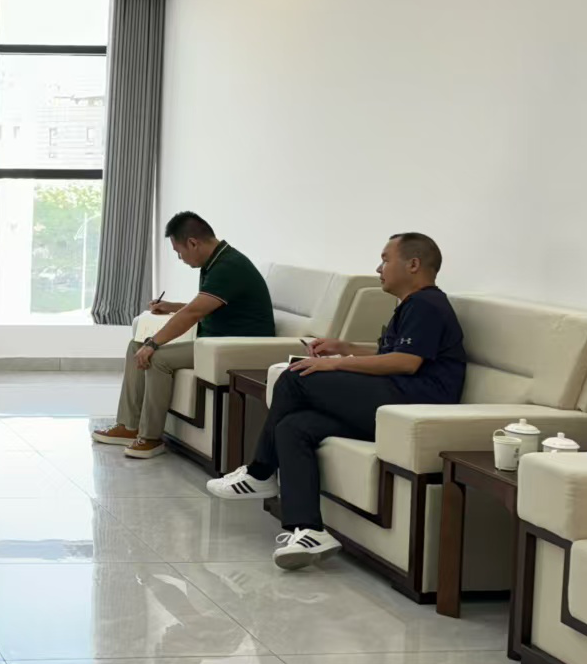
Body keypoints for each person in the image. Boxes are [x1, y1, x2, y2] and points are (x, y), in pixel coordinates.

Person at [207, 232, 466, 569]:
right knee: (294, 426)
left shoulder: (426, 304)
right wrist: (344, 348)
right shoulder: (411, 305)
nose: (379, 268)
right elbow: (390, 354)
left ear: (413, 264)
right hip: (393, 399)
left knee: (295, 378)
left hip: (412, 405)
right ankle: (309, 530)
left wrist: (336, 364)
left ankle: (260, 471)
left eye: (385, 259)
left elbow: (406, 362)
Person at [94, 211, 275, 460]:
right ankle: (129, 425)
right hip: (212, 343)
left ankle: (151, 438)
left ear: (193, 242)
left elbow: (194, 313)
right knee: (135, 346)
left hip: (231, 348)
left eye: (179, 252)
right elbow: (204, 306)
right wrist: (171, 307)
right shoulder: (216, 261)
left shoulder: (228, 267)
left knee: (157, 357)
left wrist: (153, 343)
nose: (180, 258)